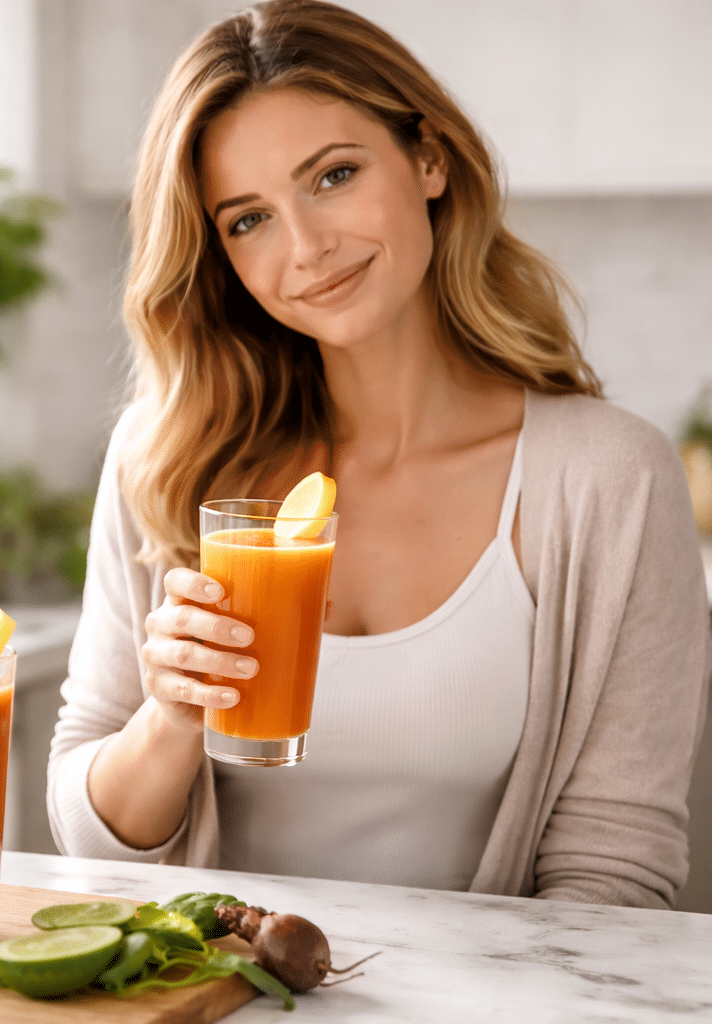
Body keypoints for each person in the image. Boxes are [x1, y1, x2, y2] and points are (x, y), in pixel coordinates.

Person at [46, 0, 709, 909]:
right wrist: (167, 719)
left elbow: (615, 868)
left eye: (334, 175)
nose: (308, 248)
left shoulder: (608, 481)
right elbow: (87, 844)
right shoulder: (168, 459)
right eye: (248, 221)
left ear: (429, 158)